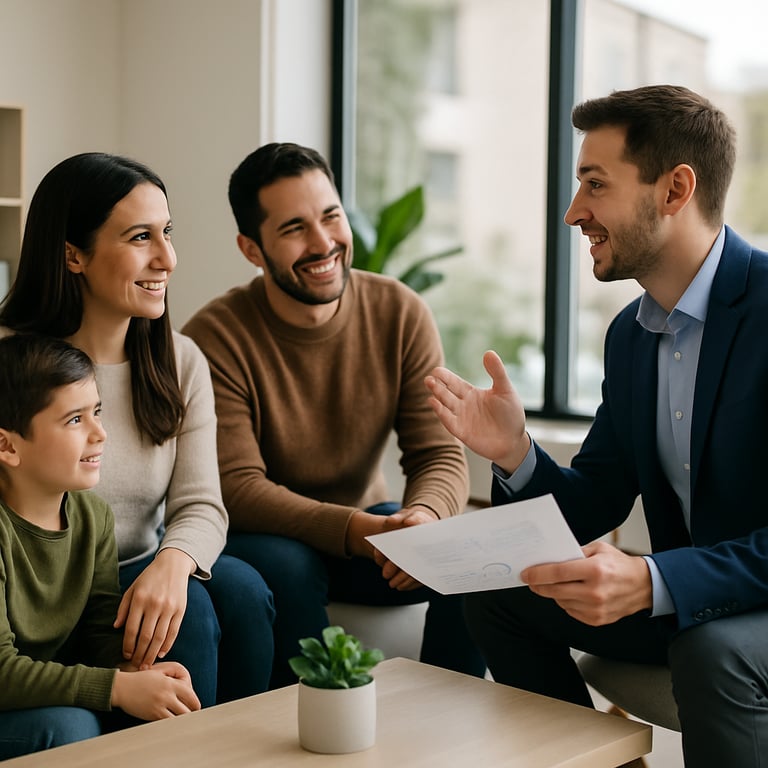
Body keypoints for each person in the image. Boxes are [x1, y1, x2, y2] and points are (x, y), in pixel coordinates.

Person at [425, 84, 768, 767]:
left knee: (711, 650)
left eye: (595, 184)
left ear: (674, 190)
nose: (573, 212)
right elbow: (595, 499)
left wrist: (655, 580)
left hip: (739, 612)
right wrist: (516, 452)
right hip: (693, 600)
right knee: (495, 596)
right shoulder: (631, 337)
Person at [182, 142, 485, 687]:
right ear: (251, 249)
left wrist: (423, 518)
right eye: (294, 228)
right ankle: (315, 719)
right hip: (266, 538)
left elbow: (437, 453)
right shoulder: (215, 336)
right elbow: (239, 487)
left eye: (331, 216)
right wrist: (358, 529)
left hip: (365, 528)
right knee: (289, 565)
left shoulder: (399, 311)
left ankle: (445, 718)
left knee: (463, 553)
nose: (323, 243)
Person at [0, 152, 275, 707]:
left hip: (140, 564)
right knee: (191, 618)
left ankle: (239, 745)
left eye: (167, 233)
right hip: (42, 589)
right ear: (73, 255)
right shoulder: (10, 362)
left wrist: (172, 565)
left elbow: (202, 504)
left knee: (244, 590)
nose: (167, 258)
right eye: (140, 237)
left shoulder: (181, 360)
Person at [0, 334, 201, 760]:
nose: (100, 433)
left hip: (39, 690)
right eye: (75, 420)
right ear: (8, 446)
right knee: (71, 725)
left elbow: (98, 630)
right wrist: (118, 687)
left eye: (97, 412)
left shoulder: (94, 518)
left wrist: (136, 670)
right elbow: (2, 672)